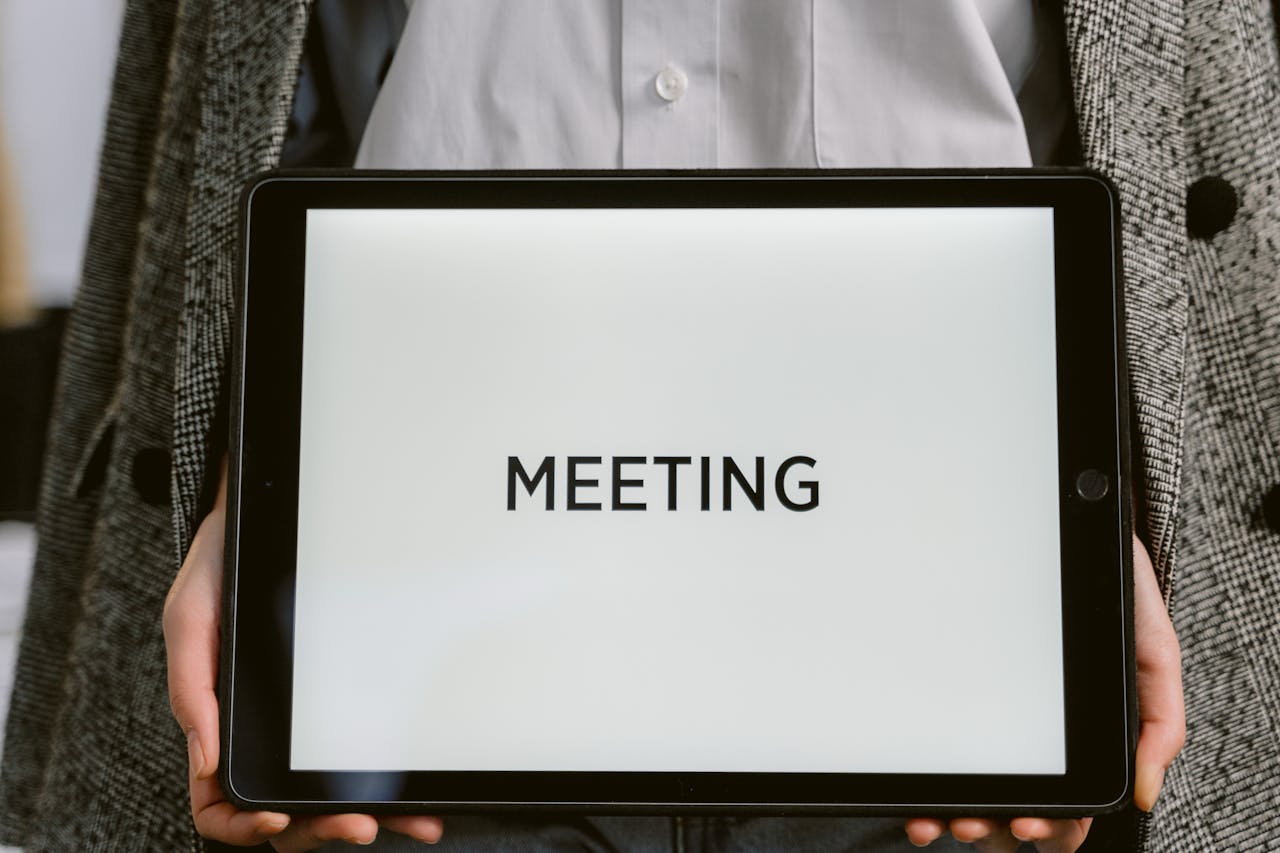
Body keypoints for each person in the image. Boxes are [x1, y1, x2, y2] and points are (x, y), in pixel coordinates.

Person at [2, 0, 1271, 849]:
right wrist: (255, 462)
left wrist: (1114, 488)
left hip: (959, 600)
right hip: (407, 589)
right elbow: (251, 66)